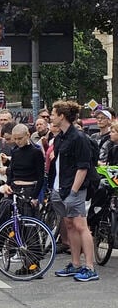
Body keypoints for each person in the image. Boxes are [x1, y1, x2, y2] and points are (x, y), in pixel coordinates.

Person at [49, 100, 99, 282]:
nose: (51, 117)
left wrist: (73, 192)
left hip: (74, 190)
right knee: (69, 225)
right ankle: (75, 263)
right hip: (60, 188)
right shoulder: (59, 137)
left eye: (53, 114)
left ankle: (90, 267)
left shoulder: (79, 138)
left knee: (81, 226)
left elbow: (83, 167)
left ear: (62, 116)